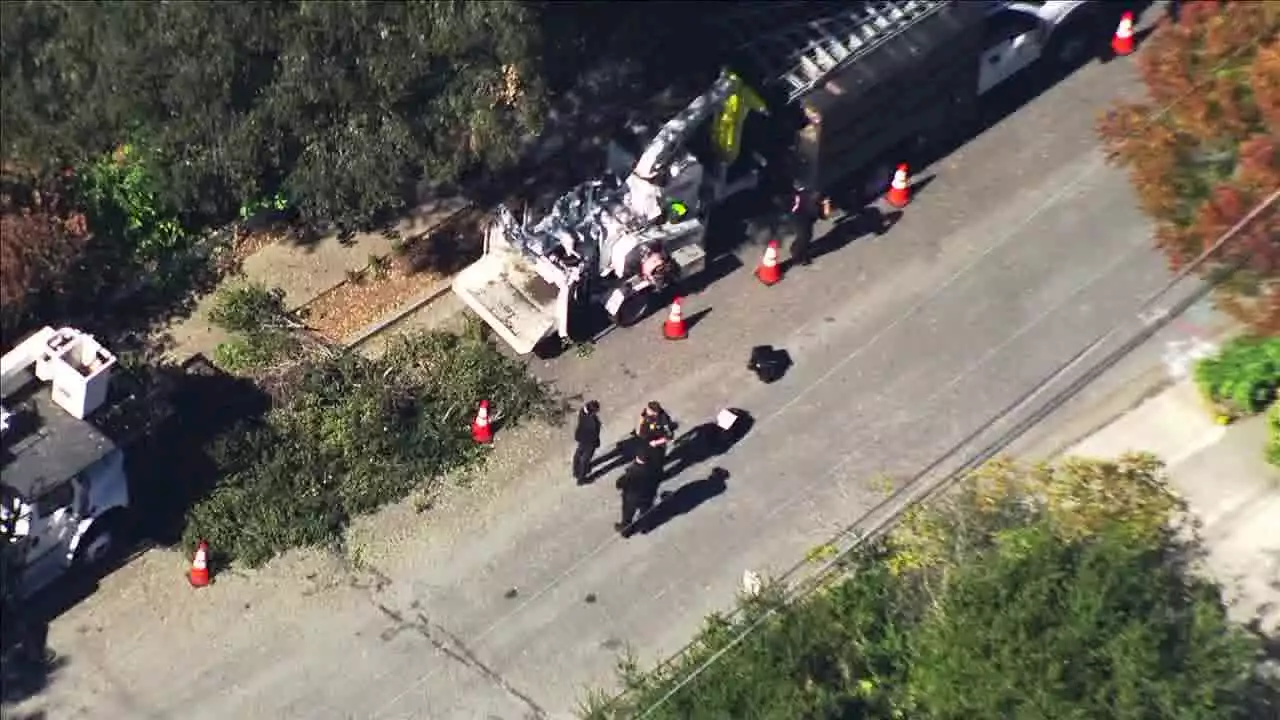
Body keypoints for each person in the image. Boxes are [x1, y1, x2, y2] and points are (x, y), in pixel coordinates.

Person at [615, 453, 660, 537]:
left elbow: (619, 484)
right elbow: (657, 480)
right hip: (647, 496)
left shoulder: (632, 472)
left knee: (627, 515)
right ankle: (645, 528)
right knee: (645, 513)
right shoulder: (654, 470)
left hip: (631, 498)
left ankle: (626, 531)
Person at [788, 182, 831, 267]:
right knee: (805, 238)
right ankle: (799, 256)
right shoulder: (813, 205)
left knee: (801, 237)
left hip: (795, 216)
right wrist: (826, 204)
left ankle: (796, 249)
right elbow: (824, 216)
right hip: (803, 222)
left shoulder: (803, 194)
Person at [635, 401, 674, 468]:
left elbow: (669, 436)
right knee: (640, 459)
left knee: (656, 462)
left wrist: (655, 443)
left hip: (657, 442)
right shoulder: (647, 411)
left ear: (655, 412)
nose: (647, 410)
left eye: (649, 410)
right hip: (645, 438)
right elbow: (642, 417)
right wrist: (638, 428)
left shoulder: (663, 419)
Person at [573, 400, 602, 484]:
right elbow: (595, 433)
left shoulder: (582, 412)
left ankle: (576, 471)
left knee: (578, 455)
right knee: (585, 460)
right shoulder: (593, 421)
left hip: (581, 438)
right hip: (590, 442)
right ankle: (581, 479)